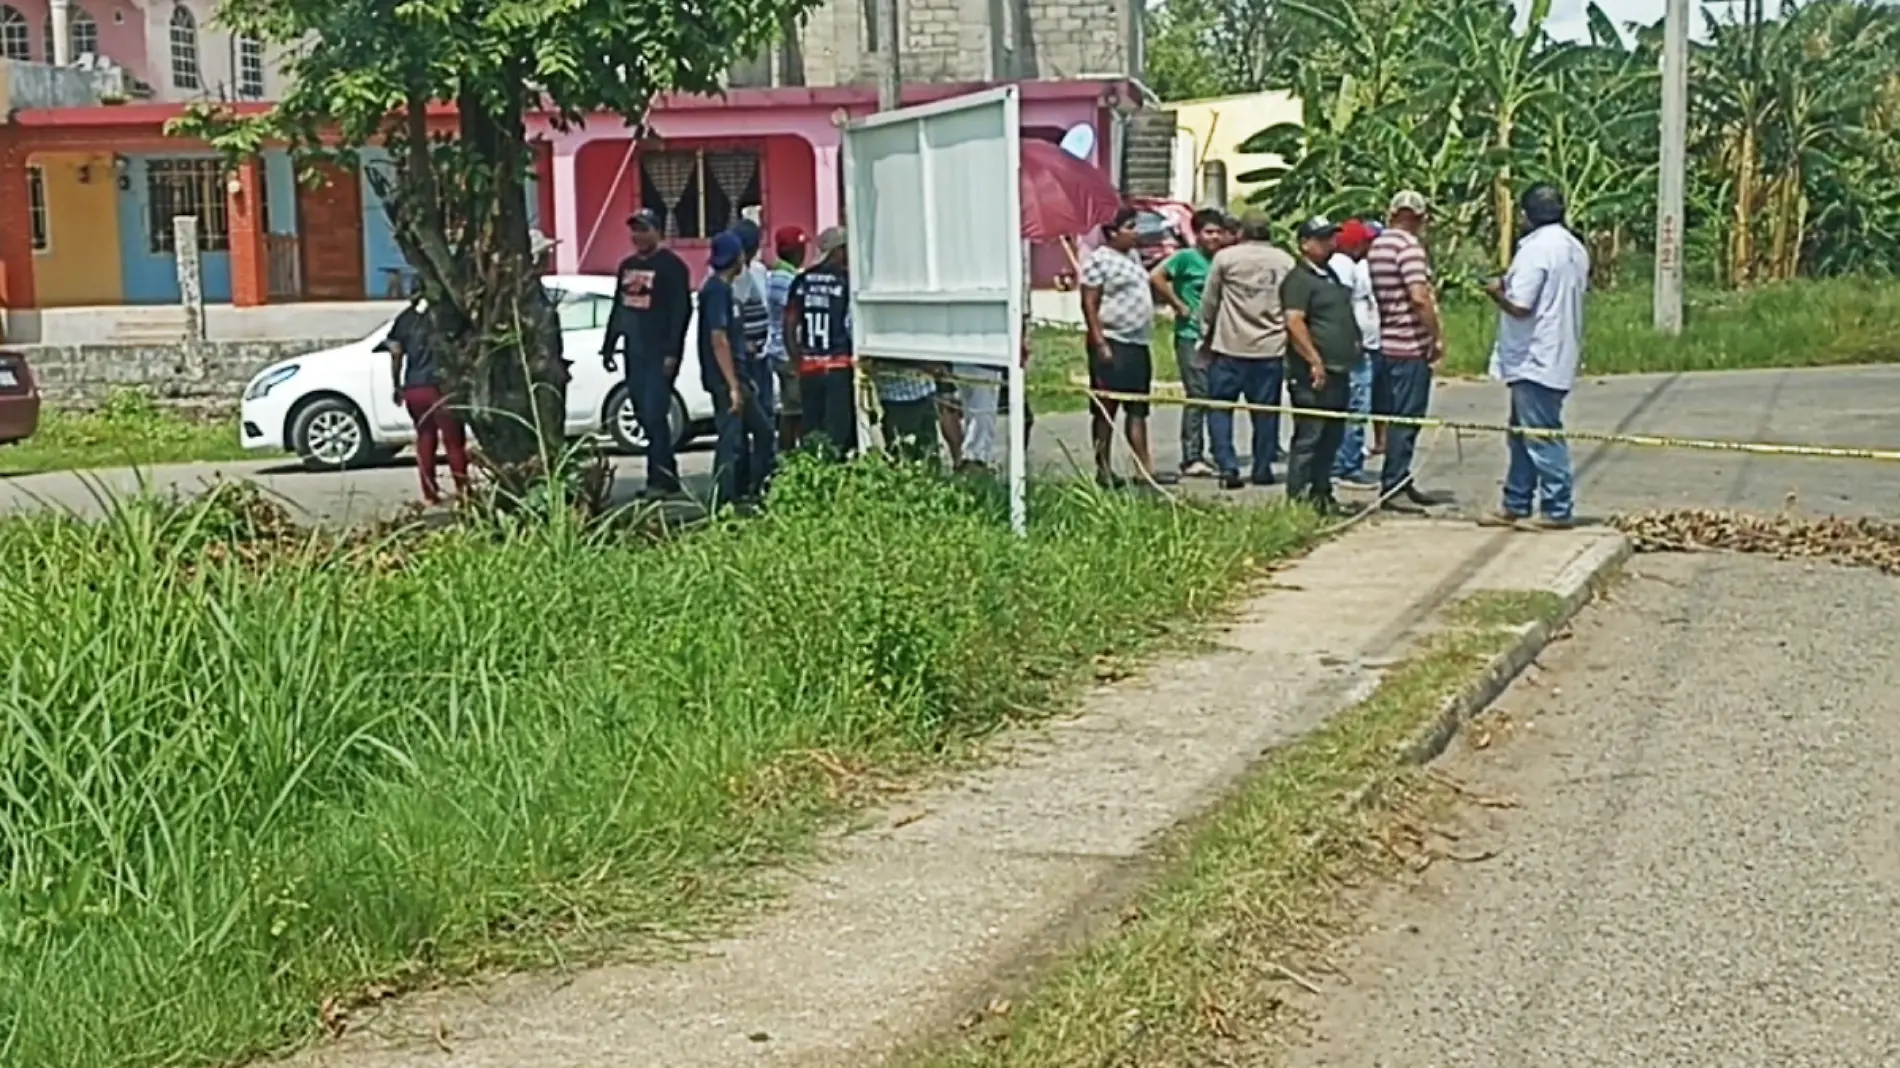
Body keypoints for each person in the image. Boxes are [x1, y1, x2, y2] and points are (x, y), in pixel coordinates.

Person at [1480, 184, 1588, 530]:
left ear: (1527, 215)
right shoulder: (1573, 247)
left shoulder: (1535, 251)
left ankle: (1557, 508)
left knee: (1541, 434)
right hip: (1556, 350)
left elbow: (1521, 306)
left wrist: (1497, 293)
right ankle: (1517, 500)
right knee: (1521, 433)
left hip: (1535, 355)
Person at [1199, 211, 1295, 491]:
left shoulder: (1226, 259)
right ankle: (1262, 467)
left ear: (1242, 231)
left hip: (1230, 345)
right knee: (1265, 413)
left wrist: (1204, 337)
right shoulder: (1285, 261)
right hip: (1269, 347)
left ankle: (1228, 465)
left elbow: (1209, 302)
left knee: (1220, 407)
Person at [601, 208, 692, 499]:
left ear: (656, 231)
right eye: (634, 230)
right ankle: (666, 474)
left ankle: (660, 479)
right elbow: (620, 307)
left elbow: (681, 312)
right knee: (642, 413)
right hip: (633, 352)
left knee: (655, 413)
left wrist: (672, 353)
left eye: (644, 229)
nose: (638, 235)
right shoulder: (626, 266)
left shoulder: (671, 267)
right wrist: (609, 344)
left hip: (659, 353)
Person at [1367, 189, 1448, 513]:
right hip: (1409, 344)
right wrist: (1436, 337)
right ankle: (1394, 483)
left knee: (1393, 414)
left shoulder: (1379, 245)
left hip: (1387, 340)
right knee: (1407, 417)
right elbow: (1418, 296)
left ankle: (1399, 479)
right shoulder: (1409, 248)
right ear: (1419, 218)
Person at [1281, 217, 1361, 513]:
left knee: (1332, 435)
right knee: (1310, 435)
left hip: (1339, 369)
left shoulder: (1329, 275)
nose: (1330, 243)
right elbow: (1294, 321)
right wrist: (1314, 360)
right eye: (1323, 238)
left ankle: (1321, 493)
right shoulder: (1299, 280)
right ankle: (1299, 498)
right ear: (1305, 243)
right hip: (1312, 373)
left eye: (1331, 237)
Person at [1079, 207, 1158, 486]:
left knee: (1137, 408)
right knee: (1105, 410)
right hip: (1113, 341)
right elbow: (1089, 303)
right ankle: (1103, 469)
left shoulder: (1133, 257)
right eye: (1130, 227)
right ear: (1113, 232)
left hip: (1138, 342)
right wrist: (1100, 342)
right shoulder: (1098, 260)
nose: (1136, 232)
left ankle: (1143, 468)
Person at [700, 232, 777, 505]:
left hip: (737, 373)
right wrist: (733, 385)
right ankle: (722, 499)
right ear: (738, 258)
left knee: (763, 431)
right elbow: (718, 338)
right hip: (727, 380)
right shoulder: (717, 291)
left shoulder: (722, 289)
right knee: (731, 439)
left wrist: (745, 349)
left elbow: (728, 337)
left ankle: (755, 488)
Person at [1152, 208, 1228, 478]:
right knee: (1198, 395)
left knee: (1217, 396)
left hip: (1219, 338)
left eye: (1218, 232)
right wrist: (1178, 304)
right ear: (1197, 234)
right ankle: (1191, 456)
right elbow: (1157, 277)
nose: (1214, 237)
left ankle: (1218, 452)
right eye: (1209, 232)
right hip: (1191, 336)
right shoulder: (1186, 258)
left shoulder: (1221, 260)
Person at [377, 291, 469, 504]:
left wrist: (397, 385)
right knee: (454, 441)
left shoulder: (405, 319)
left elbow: (396, 351)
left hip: (415, 387)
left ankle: (430, 493)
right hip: (443, 387)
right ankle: (463, 491)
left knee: (425, 437)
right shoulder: (447, 316)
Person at [785, 227, 857, 458]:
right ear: (837, 252)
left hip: (809, 366)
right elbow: (853, 325)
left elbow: (789, 325)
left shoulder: (801, 280)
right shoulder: (846, 282)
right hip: (838, 365)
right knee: (838, 431)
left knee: (812, 427)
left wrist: (797, 359)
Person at [1329, 218, 1382, 489]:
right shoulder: (1344, 266)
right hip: (1354, 348)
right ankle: (1347, 465)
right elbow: (1343, 306)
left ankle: (1344, 461)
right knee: (1357, 406)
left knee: (1355, 405)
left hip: (1361, 345)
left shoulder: (1351, 266)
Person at [730, 220, 777, 495]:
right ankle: (744, 481)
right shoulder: (728, 278)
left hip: (761, 357)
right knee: (749, 428)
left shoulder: (759, 272)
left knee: (765, 418)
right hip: (742, 364)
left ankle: (760, 479)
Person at [766, 226, 807, 450]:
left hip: (778, 349)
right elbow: (792, 319)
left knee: (790, 409)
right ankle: (790, 457)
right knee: (794, 411)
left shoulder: (775, 276)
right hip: (786, 352)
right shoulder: (787, 281)